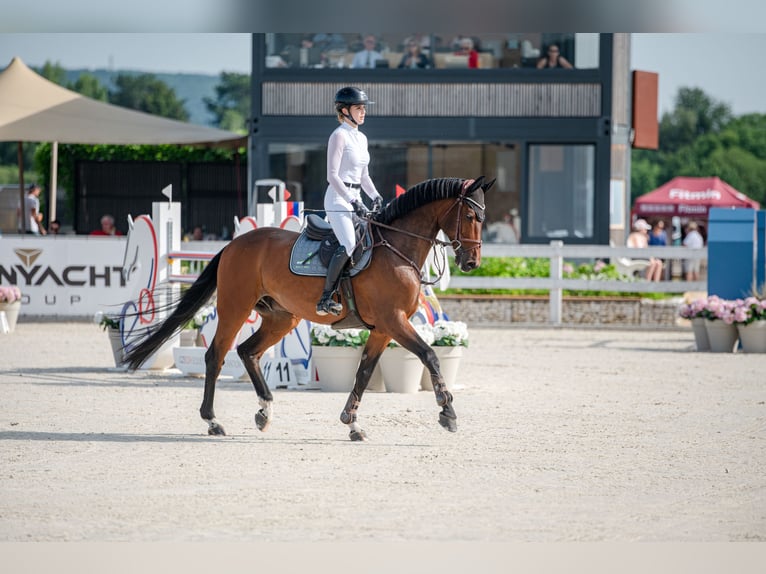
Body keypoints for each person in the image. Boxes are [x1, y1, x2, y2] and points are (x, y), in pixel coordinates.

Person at [316, 86, 384, 316]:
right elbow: (332, 176)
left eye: (364, 108)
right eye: (358, 108)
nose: (363, 112)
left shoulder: (361, 138)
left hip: (357, 198)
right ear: (344, 110)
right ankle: (325, 298)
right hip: (337, 199)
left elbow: (364, 176)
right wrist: (352, 201)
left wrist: (375, 195)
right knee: (349, 244)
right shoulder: (339, 135)